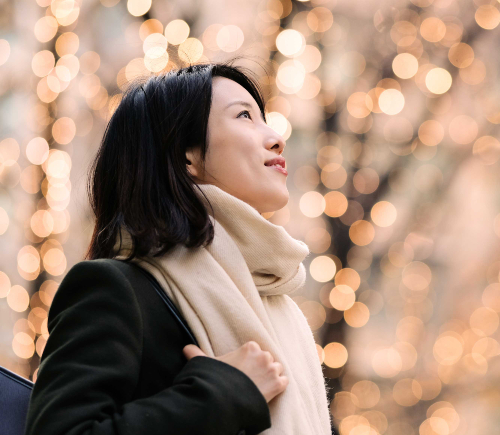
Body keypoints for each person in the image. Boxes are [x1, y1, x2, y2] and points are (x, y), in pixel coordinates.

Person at [24, 59, 332, 435]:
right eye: (244, 117)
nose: (275, 137)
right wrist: (223, 393)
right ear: (187, 156)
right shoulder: (116, 290)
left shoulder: (281, 307)